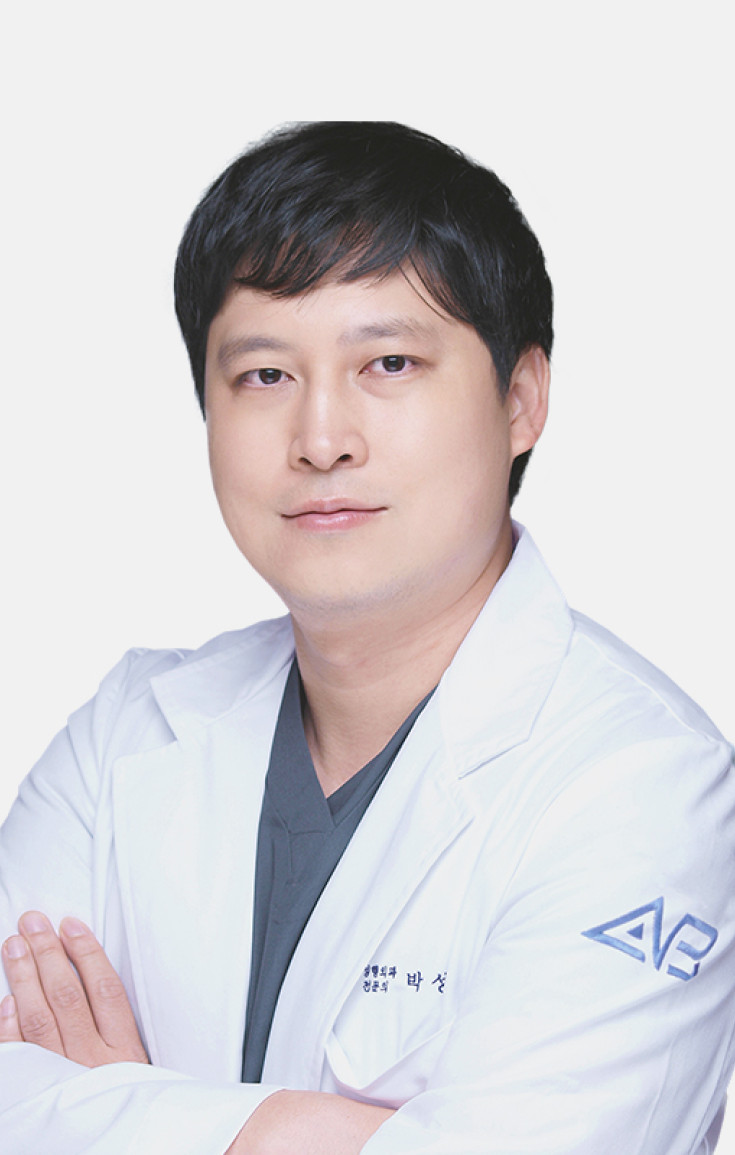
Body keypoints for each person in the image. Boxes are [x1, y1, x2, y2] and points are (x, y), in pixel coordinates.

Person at [1, 121, 734, 1155]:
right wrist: (304, 1131)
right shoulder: (123, 735)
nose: (320, 440)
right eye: (264, 375)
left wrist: (110, 1107)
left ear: (521, 401)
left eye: (388, 362)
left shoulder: (643, 787)